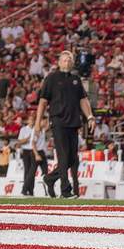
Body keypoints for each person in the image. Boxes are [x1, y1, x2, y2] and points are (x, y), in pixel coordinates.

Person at [34, 51, 89, 199]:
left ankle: (49, 178)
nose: (67, 63)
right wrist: (38, 122)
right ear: (59, 62)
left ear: (72, 63)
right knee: (64, 157)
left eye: (69, 60)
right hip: (58, 121)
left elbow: (83, 100)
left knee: (71, 159)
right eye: (64, 60)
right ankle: (65, 191)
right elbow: (43, 101)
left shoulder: (76, 79)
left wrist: (90, 116)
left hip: (74, 123)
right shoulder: (51, 78)